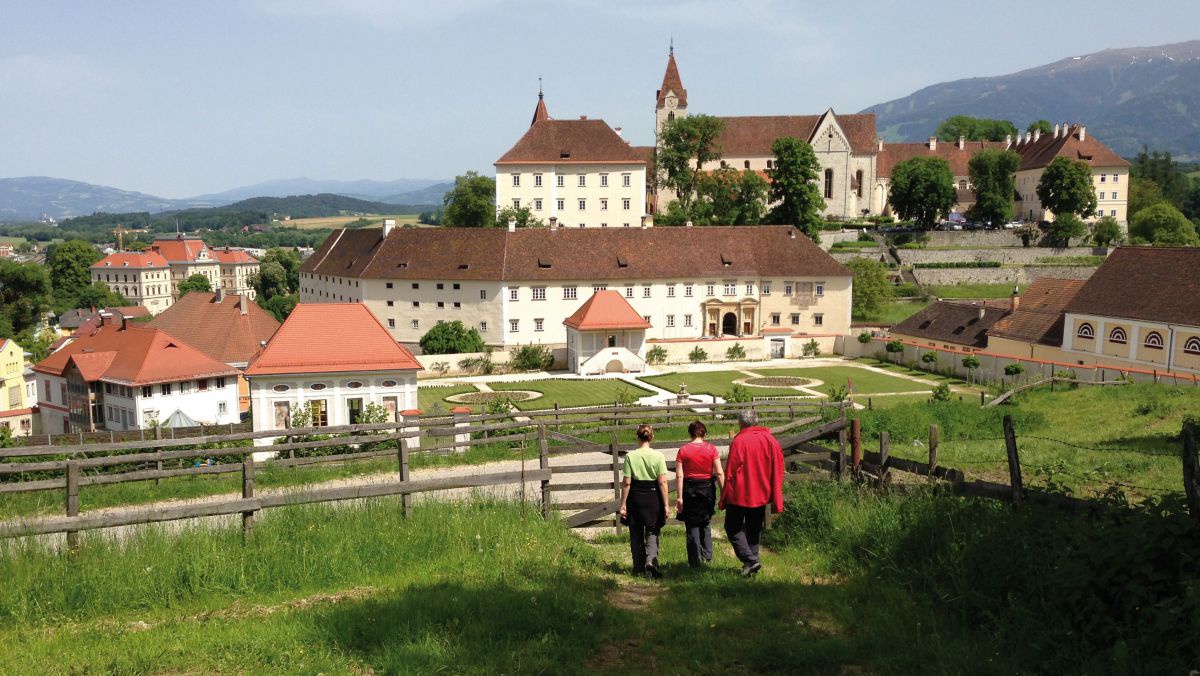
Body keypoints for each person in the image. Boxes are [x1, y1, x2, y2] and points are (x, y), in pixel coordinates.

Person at [720, 409, 784, 577]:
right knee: (754, 529)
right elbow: (778, 466)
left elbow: (731, 469)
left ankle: (750, 560)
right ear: (755, 421)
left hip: (740, 493)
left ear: (741, 423)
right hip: (761, 492)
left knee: (732, 527)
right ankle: (751, 566)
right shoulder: (769, 439)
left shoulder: (739, 440)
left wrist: (725, 492)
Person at [619, 424, 670, 578]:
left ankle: (638, 566)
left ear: (637, 436)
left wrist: (623, 504)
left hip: (635, 497)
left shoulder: (630, 456)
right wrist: (666, 504)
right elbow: (662, 482)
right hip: (653, 497)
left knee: (635, 532)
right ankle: (651, 561)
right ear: (651, 436)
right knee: (652, 531)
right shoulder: (659, 456)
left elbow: (627, 483)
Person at [675, 420, 724, 567]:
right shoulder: (712, 449)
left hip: (690, 489)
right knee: (706, 522)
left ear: (690, 433)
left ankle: (694, 560)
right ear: (704, 433)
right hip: (707, 488)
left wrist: (679, 497)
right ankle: (707, 556)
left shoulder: (683, 450)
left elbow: (679, 475)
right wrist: (724, 493)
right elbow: (719, 472)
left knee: (691, 525)